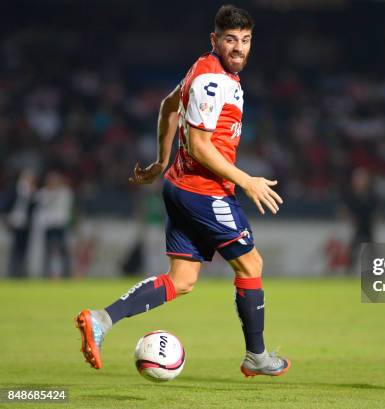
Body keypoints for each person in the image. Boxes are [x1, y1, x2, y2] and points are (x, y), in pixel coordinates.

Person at [75, 5, 290, 378]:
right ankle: (256, 355)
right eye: (231, 40)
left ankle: (101, 319)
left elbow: (169, 105)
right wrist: (246, 180)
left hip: (179, 186)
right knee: (251, 264)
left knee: (182, 279)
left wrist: (160, 162)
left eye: (246, 40)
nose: (239, 48)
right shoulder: (214, 80)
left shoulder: (204, 67)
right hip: (205, 192)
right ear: (215, 40)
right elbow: (202, 145)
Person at [5, 168, 37, 278]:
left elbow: (33, 207)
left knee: (23, 249)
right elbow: (7, 202)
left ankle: (20, 272)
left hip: (26, 224)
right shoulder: (15, 188)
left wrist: (32, 194)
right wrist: (7, 217)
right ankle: (12, 272)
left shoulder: (31, 190)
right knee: (14, 248)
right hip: (14, 221)